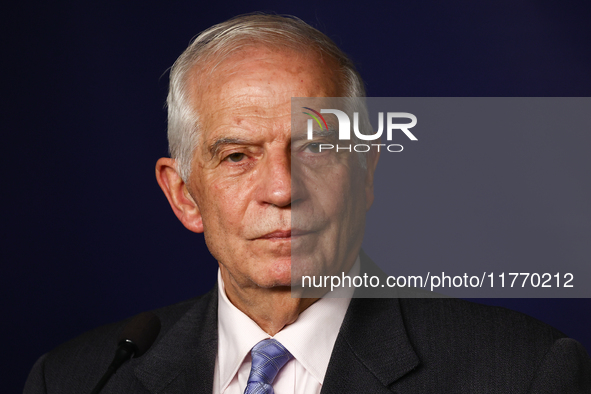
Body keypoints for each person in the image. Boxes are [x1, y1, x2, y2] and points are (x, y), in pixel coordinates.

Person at [24, 13, 591, 393]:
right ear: (184, 196)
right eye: (238, 156)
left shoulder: (524, 371)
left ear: (365, 175)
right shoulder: (77, 379)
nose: (282, 189)